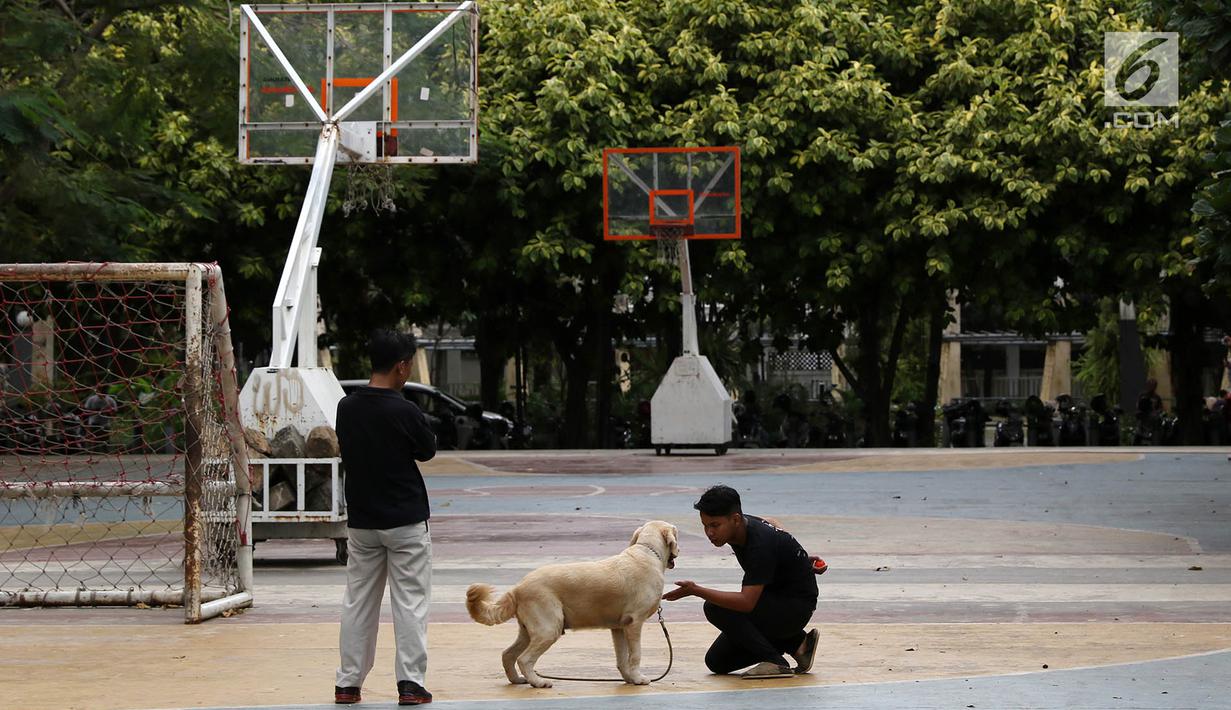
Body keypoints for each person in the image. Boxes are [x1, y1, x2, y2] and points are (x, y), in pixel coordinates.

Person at [334, 329, 437, 706]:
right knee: (410, 602)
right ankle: (410, 683)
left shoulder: (347, 407)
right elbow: (427, 450)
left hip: (362, 521)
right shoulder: (405, 409)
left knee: (358, 601)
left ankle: (348, 683)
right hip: (406, 521)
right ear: (402, 366)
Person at [662, 485, 820, 679]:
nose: (709, 532)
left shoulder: (759, 545)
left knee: (715, 607)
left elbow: (746, 603)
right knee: (717, 661)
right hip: (777, 602)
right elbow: (773, 524)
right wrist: (798, 561)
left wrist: (695, 590)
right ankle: (799, 645)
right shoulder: (744, 525)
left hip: (795, 608)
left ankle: (776, 662)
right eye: (705, 525)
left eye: (715, 525)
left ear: (735, 519)